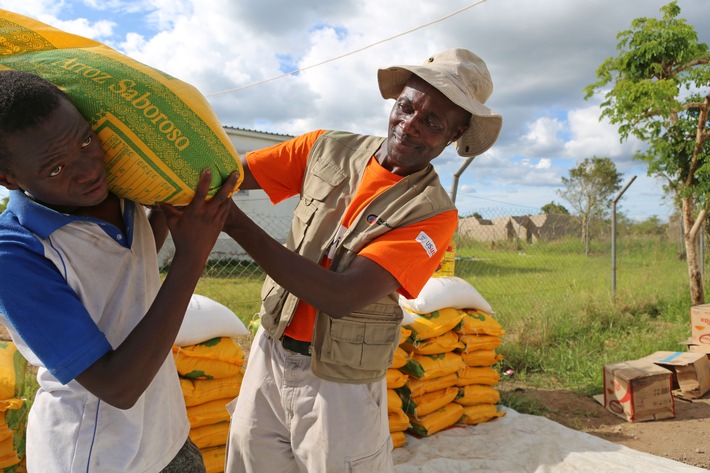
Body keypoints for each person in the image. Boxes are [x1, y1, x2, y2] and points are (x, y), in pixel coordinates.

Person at [222, 48, 503, 472]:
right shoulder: (324, 149)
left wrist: (233, 223)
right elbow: (232, 175)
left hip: (340, 384)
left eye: (432, 122)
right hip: (270, 351)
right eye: (406, 107)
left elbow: (342, 295)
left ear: (455, 133)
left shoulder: (433, 214)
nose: (408, 126)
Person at [0, 70, 238, 472]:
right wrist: (191, 257)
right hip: (97, 456)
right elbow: (117, 386)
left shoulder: (123, 190)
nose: (87, 169)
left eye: (86, 141)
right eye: (56, 169)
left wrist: (167, 212)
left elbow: (123, 274)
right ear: (8, 179)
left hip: (168, 436)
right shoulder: (16, 253)